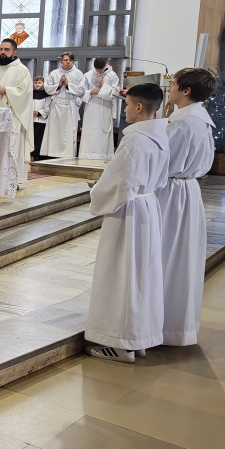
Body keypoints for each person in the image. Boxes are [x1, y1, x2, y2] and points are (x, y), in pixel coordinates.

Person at [85, 83, 170, 363]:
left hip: (128, 212)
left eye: (127, 105)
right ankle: (138, 338)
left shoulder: (135, 139)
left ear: (139, 107)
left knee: (121, 274)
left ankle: (118, 343)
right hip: (147, 207)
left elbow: (120, 181)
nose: (124, 110)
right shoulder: (160, 136)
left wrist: (96, 190)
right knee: (141, 276)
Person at [155, 68, 217, 347]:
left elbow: (164, 162)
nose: (169, 87)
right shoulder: (199, 118)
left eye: (173, 83)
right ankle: (176, 326)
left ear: (186, 90)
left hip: (170, 192)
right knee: (180, 256)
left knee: (165, 255)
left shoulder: (182, 122)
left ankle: (160, 325)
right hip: (187, 190)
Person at [0, 38, 34, 184]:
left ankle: (12, 180)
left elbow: (25, 93)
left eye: (6, 50)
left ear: (14, 52)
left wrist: (6, 89)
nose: (2, 52)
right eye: (1, 49)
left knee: (12, 147)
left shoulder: (21, 70)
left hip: (13, 117)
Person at [41, 52, 85, 159]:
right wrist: (59, 84)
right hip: (56, 106)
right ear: (61, 61)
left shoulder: (78, 74)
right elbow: (47, 88)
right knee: (55, 131)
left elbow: (81, 89)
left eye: (70, 60)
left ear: (73, 61)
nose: (68, 62)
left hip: (70, 106)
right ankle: (52, 153)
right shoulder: (54, 73)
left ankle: (68, 154)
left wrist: (68, 85)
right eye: (66, 60)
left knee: (68, 132)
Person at [79, 58, 121, 161]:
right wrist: (92, 91)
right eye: (97, 70)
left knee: (103, 132)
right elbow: (81, 92)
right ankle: (87, 155)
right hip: (91, 107)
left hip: (105, 107)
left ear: (105, 65)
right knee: (90, 131)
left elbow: (116, 93)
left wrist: (103, 85)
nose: (99, 72)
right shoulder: (88, 75)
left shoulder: (112, 75)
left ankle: (103, 156)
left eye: (101, 70)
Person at [32, 75, 50, 161]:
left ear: (43, 83)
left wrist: (39, 112)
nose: (37, 85)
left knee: (39, 138)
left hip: (42, 120)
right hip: (31, 119)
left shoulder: (46, 95)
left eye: (39, 83)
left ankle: (38, 155)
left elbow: (48, 107)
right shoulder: (30, 94)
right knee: (32, 137)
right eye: (35, 83)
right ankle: (31, 153)